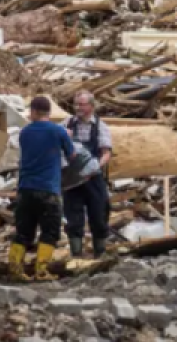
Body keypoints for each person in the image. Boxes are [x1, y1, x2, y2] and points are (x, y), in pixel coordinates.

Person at [9, 96, 75, 281]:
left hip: (25, 189)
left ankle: (15, 269)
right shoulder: (58, 131)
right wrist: (67, 138)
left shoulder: (24, 133)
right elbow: (72, 156)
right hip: (48, 190)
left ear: (35, 112)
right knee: (50, 231)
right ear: (48, 112)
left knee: (23, 232)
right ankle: (41, 270)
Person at [61, 90, 113, 259]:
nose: (78, 108)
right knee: (73, 216)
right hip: (72, 179)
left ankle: (100, 252)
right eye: (76, 104)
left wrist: (95, 166)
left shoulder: (100, 127)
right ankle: (76, 254)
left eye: (82, 105)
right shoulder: (67, 123)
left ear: (91, 106)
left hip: (93, 178)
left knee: (98, 214)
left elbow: (106, 153)